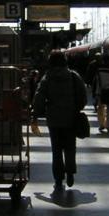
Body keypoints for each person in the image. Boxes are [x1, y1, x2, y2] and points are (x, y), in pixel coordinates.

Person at [32, 50, 87, 189]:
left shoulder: (47, 77)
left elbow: (39, 97)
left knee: (56, 150)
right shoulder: (74, 76)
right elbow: (83, 97)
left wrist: (37, 113)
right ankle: (70, 173)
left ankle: (58, 178)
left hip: (53, 119)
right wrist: (76, 107)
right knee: (70, 147)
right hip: (70, 118)